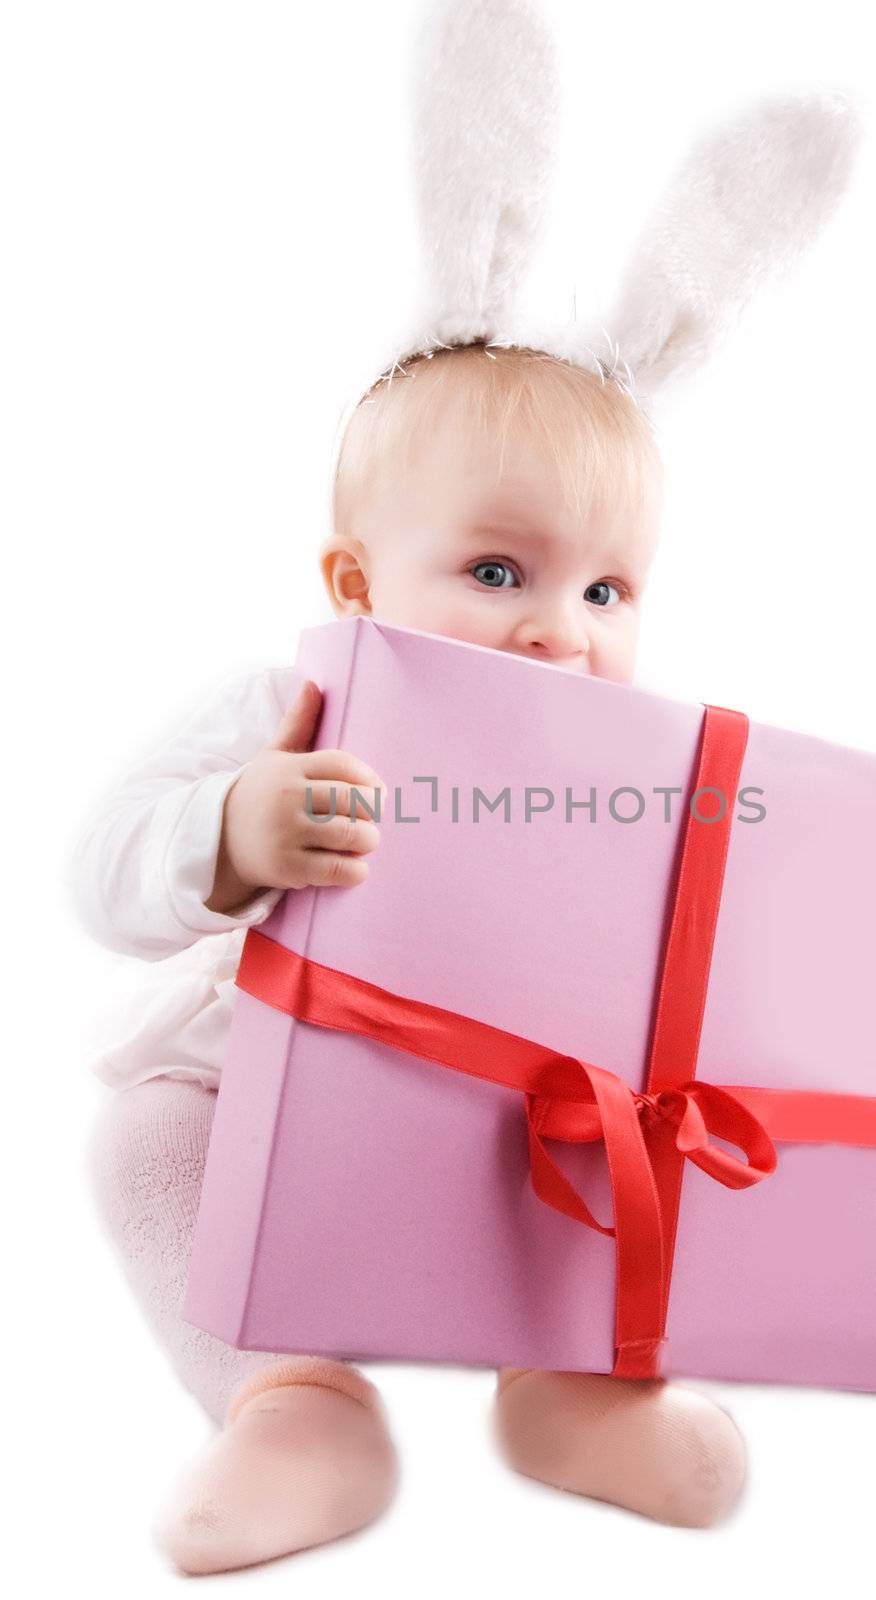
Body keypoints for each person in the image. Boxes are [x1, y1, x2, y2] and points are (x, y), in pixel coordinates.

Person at [72, 344, 749, 1575]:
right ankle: (291, 1400)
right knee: (143, 1136)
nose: (560, 632)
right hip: (286, 1108)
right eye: (498, 572)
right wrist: (232, 827)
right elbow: (101, 873)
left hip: (503, 1125)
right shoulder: (296, 709)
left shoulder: (633, 764)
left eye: (607, 592)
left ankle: (569, 1387)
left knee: (632, 1139)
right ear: (354, 583)